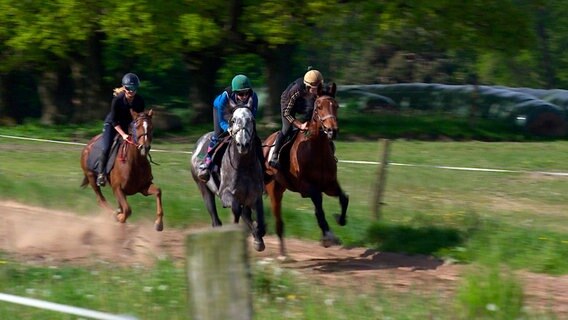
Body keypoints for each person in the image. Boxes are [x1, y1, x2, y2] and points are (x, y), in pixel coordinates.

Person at [197, 74, 264, 181]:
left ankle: (263, 167)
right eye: (240, 94)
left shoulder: (254, 97)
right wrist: (228, 128)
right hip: (224, 112)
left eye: (246, 92)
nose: (244, 96)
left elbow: (252, 117)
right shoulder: (225, 97)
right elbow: (222, 119)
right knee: (218, 135)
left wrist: (247, 129)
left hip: (242, 116)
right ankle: (206, 164)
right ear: (234, 92)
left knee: (255, 139)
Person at [96, 73, 145, 187]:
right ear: (124, 87)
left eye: (134, 88)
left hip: (128, 125)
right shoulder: (117, 100)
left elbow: (139, 119)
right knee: (106, 147)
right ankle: (101, 174)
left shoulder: (140, 101)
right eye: (128, 88)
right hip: (113, 124)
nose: (131, 91)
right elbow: (114, 121)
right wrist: (123, 135)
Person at [268, 69, 324, 169]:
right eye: (313, 88)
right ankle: (274, 156)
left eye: (318, 88)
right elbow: (287, 113)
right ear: (307, 86)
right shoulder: (295, 90)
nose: (317, 91)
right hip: (288, 104)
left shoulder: (317, 89)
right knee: (287, 129)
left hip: (305, 101)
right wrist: (300, 125)